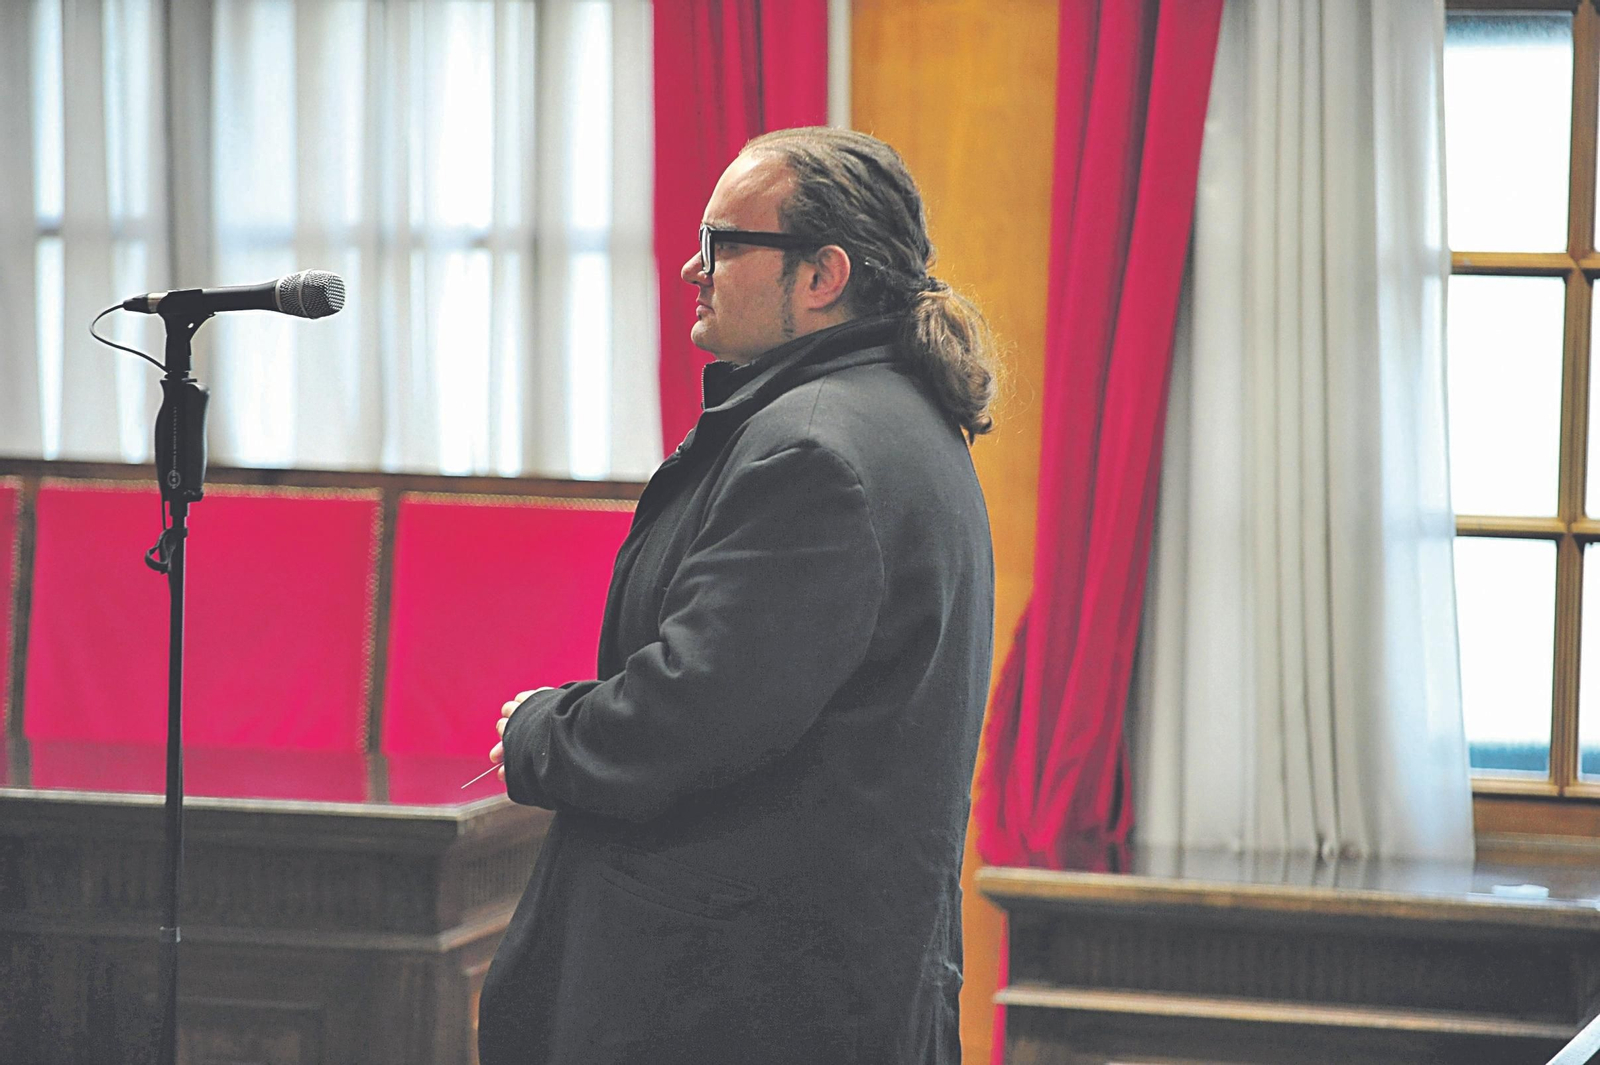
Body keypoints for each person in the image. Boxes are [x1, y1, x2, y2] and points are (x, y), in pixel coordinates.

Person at [477, 126, 998, 1065]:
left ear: (821, 275)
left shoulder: (815, 451)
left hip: (744, 1003)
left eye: (722, 243)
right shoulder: (894, 417)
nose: (692, 267)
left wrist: (539, 730)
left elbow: (692, 715)